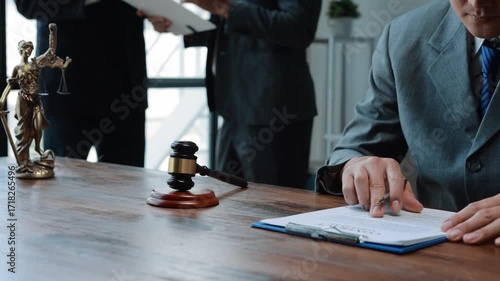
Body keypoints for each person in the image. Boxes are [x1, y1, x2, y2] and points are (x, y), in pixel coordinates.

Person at [316, 0, 500, 247]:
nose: (478, 2)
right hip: (434, 248)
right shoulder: (404, 37)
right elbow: (356, 147)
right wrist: (356, 165)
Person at [143, 0, 322, 188]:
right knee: (227, 202)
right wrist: (180, 24)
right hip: (231, 107)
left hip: (274, 112)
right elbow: (234, 33)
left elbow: (299, 29)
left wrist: (224, 7)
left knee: (272, 208)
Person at [14, 0, 150, 167]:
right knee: (63, 186)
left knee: (130, 186)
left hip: (127, 85)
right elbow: (27, 4)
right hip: (68, 87)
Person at [0, 25, 71, 176]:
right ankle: (24, 163)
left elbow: (51, 50)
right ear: (21, 50)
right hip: (23, 101)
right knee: (24, 132)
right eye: (26, 49)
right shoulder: (17, 69)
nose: (29, 51)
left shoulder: (36, 64)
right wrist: (1, 101)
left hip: (36, 101)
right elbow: (10, 85)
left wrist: (53, 32)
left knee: (38, 126)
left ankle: (38, 149)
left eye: (30, 49)